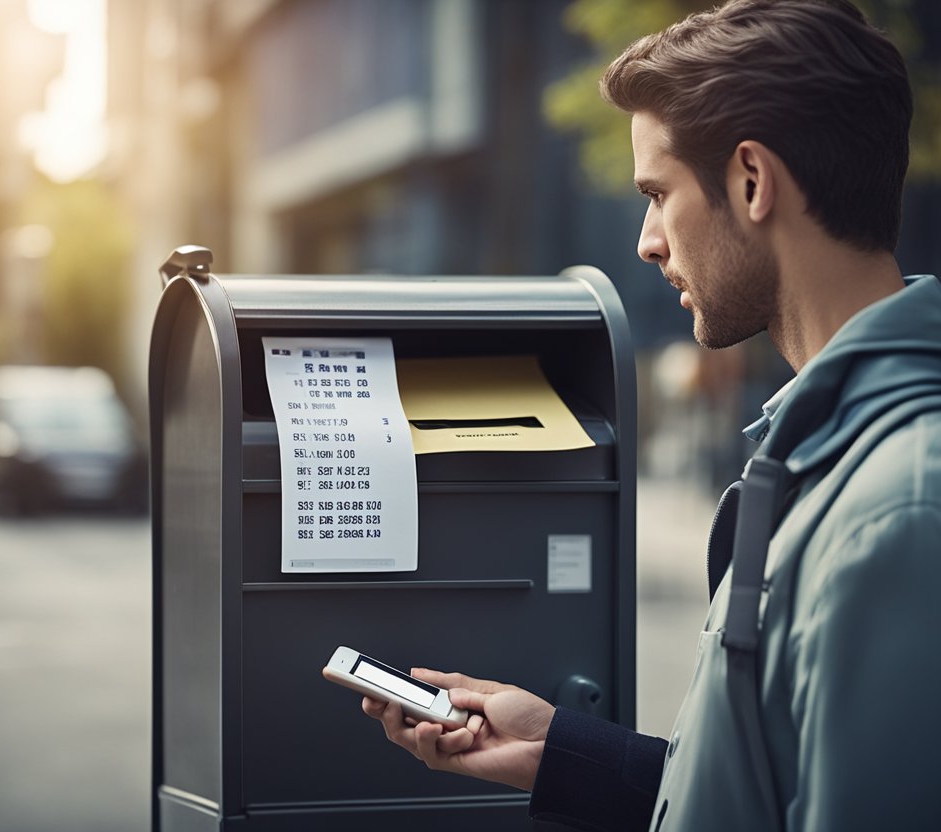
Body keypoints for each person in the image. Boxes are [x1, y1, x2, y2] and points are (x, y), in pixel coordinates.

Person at [360, 1, 941, 829]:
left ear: (751, 181)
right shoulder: (833, 452)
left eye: (658, 194)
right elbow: (768, 788)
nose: (647, 240)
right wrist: (563, 753)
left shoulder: (901, 508)